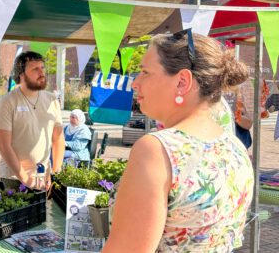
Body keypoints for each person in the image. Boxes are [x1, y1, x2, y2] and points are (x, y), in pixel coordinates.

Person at [103, 30, 254, 253]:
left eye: (145, 72)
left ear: (182, 81)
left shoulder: (157, 150)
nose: (135, 83)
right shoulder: (235, 148)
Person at [0, 51, 64, 190]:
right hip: (13, 179)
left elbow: (58, 139)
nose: (42, 72)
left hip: (43, 178)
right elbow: (4, 147)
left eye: (42, 68)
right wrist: (25, 179)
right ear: (22, 75)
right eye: (35, 69)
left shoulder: (52, 100)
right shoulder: (7, 102)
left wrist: (55, 173)